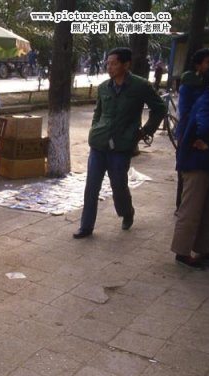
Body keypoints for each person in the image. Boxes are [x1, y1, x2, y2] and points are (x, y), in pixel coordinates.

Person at [73, 47, 166, 239]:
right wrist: (94, 129)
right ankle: (86, 226)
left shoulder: (140, 86)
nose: (109, 67)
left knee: (118, 185)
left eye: (114, 63)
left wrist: (144, 132)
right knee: (91, 186)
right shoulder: (103, 87)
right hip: (99, 144)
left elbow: (159, 108)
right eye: (108, 63)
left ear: (126, 64)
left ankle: (127, 212)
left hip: (122, 145)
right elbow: (98, 113)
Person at [171, 68, 209, 269]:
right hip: (196, 162)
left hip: (205, 162)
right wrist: (207, 143)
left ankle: (204, 248)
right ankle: (182, 251)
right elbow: (204, 126)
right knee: (191, 209)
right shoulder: (207, 99)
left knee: (206, 208)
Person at [175, 48, 209, 209]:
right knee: (188, 171)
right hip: (190, 134)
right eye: (208, 62)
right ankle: (181, 205)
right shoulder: (190, 85)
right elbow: (186, 113)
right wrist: (190, 135)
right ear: (198, 66)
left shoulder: (205, 84)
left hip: (200, 135)